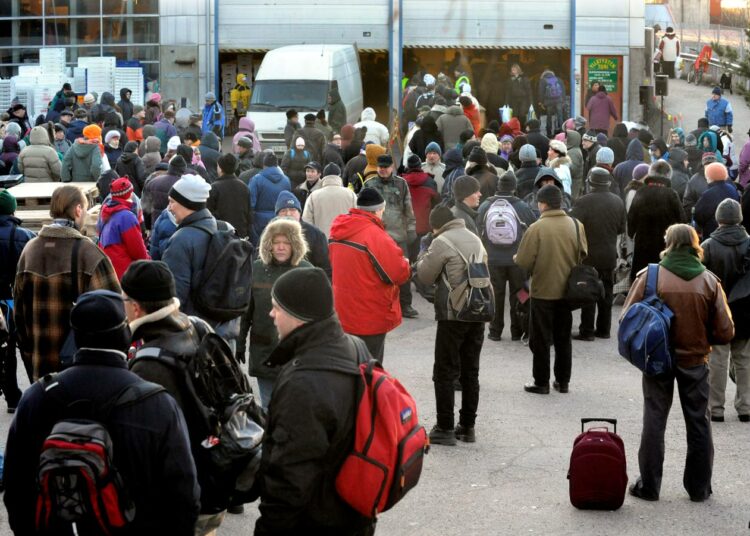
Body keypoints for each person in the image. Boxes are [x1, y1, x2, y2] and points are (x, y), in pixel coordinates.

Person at [3, 289, 200, 534]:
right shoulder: (158, 404)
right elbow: (183, 497)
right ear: (125, 334)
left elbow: (15, 489)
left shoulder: (36, 398)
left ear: (74, 335)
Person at [254, 267, 375, 535]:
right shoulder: (355, 346)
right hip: (354, 511)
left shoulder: (303, 384)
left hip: (315, 519)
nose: (271, 314)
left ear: (298, 316)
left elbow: (290, 479)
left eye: (277, 307)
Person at [624, 224, 733, 502]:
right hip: (695, 360)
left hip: (656, 359)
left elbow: (627, 316)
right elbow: (725, 331)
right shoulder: (709, 282)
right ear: (696, 245)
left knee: (654, 419)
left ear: (668, 243)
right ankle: (698, 488)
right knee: (698, 422)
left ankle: (649, 486)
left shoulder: (651, 275)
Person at [14, 185, 120, 380]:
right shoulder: (89, 254)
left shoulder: (29, 251)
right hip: (81, 373)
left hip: (41, 371)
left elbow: (19, 316)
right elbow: (115, 311)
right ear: (78, 210)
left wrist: (30, 356)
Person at [415, 205, 489, 446]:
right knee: (471, 370)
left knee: (445, 371)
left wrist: (422, 256)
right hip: (477, 310)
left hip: (453, 313)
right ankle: (468, 427)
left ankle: (445, 427)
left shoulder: (441, 241)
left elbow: (425, 275)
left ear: (436, 225)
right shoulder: (475, 238)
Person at [515, 184, 585, 394]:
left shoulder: (536, 228)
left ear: (542, 204)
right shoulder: (576, 224)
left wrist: (517, 258)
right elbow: (583, 253)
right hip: (568, 291)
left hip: (543, 291)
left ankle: (541, 382)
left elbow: (524, 261)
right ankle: (563, 381)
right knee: (564, 337)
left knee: (541, 338)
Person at [329, 188, 411, 362]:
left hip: (343, 310)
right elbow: (398, 273)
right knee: (370, 371)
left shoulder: (338, 230)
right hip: (369, 314)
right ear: (379, 210)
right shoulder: (375, 236)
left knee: (349, 366)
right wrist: (406, 263)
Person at [246, 217, 311, 408]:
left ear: (295, 245)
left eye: (286, 242)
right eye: (276, 243)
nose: (281, 247)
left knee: (293, 406)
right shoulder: (256, 269)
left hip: (296, 353)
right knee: (268, 406)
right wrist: (240, 343)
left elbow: (318, 314)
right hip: (263, 350)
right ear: (269, 245)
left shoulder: (307, 271)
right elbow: (246, 310)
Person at [700, 199, 750, 423]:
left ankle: (716, 407)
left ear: (719, 219)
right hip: (745, 309)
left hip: (718, 308)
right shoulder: (749, 243)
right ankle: (745, 406)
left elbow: (701, 279)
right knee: (744, 358)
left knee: (718, 359)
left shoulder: (708, 245)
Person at [477, 171, 536, 341]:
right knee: (519, 294)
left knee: (496, 294)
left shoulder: (486, 206)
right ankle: (517, 331)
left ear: (498, 187)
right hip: (517, 259)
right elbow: (532, 228)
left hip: (493, 260)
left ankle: (495, 331)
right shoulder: (522, 207)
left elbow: (478, 228)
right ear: (514, 188)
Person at [569, 168, 626, 340]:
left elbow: (573, 226)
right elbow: (621, 229)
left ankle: (587, 330)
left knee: (588, 291)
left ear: (590, 183)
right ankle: (604, 329)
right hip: (609, 254)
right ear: (608, 183)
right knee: (606, 293)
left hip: (589, 254)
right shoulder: (617, 201)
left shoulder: (583, 202)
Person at [364, 154, 418, 318]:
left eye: (386, 167)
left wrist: (411, 230)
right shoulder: (369, 185)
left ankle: (405, 304)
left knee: (403, 271)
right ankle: (378, 304)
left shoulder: (401, 184)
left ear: (392, 167)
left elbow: (408, 207)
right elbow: (363, 211)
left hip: (398, 236)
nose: (383, 170)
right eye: (380, 167)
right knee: (376, 273)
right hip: (376, 236)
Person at [0, 190, 35, 412]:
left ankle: (12, 397)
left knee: (4, 350)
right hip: (17, 300)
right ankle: (38, 393)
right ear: (12, 209)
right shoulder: (24, 236)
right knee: (28, 348)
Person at [628, 160, 686, 280]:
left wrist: (631, 233)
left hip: (642, 245)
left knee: (642, 279)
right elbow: (682, 221)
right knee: (662, 280)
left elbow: (631, 218)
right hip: (665, 246)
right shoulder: (672, 194)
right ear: (668, 175)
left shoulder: (641, 193)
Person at [96, 177, 149, 279]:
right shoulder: (127, 217)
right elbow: (138, 252)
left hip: (110, 271)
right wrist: (149, 261)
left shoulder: (106, 210)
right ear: (129, 193)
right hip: (125, 274)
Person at [302, 163, 358, 238]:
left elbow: (306, 222)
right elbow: (358, 219)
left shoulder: (313, 196)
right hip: (345, 242)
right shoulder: (351, 195)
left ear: (324, 176)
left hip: (321, 243)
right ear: (339, 176)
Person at [249, 152, 292, 243]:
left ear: (264, 165)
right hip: (280, 218)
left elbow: (250, 203)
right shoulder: (286, 180)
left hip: (260, 221)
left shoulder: (257, 179)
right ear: (277, 165)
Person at [206, 153, 251, 238]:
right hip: (241, 233)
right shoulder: (244, 187)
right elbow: (249, 213)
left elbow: (209, 213)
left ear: (220, 168)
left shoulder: (214, 187)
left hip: (221, 234)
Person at [694, 162, 740, 239]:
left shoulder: (708, 194)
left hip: (714, 234)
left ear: (709, 177)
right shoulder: (731, 189)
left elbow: (698, 216)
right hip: (733, 231)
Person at [537, 69, 565, 137]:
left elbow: (541, 92)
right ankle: (562, 132)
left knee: (549, 116)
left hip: (549, 101)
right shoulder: (558, 79)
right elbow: (563, 90)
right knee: (560, 116)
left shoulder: (543, 80)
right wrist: (563, 100)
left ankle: (549, 132)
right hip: (559, 100)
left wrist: (541, 102)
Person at [505, 63, 532, 128]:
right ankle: (516, 129)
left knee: (522, 114)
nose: (512, 71)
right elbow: (508, 92)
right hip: (514, 99)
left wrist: (531, 102)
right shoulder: (510, 80)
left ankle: (523, 129)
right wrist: (506, 102)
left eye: (514, 69)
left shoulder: (524, 79)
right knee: (515, 115)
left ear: (518, 70)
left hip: (523, 99)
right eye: (512, 70)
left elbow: (529, 91)